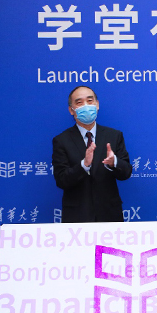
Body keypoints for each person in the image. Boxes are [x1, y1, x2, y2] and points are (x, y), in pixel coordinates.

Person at [52, 86, 132, 222]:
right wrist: (84, 165)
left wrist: (114, 162)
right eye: (79, 102)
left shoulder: (114, 135)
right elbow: (61, 180)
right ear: (71, 110)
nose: (86, 106)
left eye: (90, 101)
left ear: (97, 104)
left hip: (110, 215)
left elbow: (126, 173)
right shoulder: (61, 140)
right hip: (77, 217)